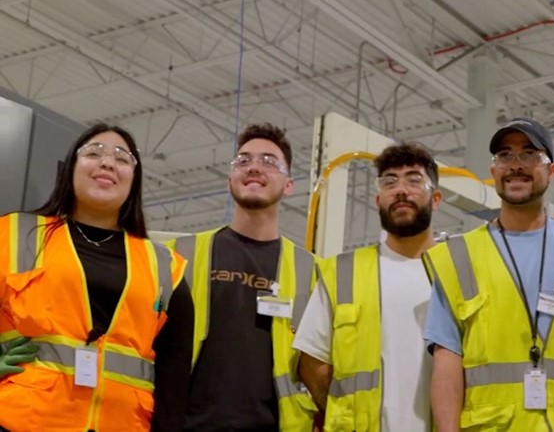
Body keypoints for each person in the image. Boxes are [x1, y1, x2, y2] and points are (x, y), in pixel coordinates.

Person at [0, 123, 194, 431]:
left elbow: (175, 370)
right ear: (71, 168)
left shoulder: (165, 267)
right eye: (93, 153)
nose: (107, 162)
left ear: (134, 180)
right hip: (23, 420)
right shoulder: (14, 234)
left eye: (122, 158)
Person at [424, 118, 554, 432]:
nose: (516, 165)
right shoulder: (458, 257)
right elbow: (446, 359)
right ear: (493, 170)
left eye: (529, 154)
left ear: (552, 171)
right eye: (505, 155)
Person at [170, 123, 319, 431]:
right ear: (230, 180)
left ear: (289, 185)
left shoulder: (313, 272)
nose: (254, 167)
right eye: (244, 160)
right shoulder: (179, 254)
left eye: (269, 161)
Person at [295, 141, 442, 431]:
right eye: (390, 181)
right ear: (378, 200)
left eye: (414, 180)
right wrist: (343, 416)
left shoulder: (458, 273)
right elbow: (312, 362)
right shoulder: (342, 273)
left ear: (436, 199)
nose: (400, 190)